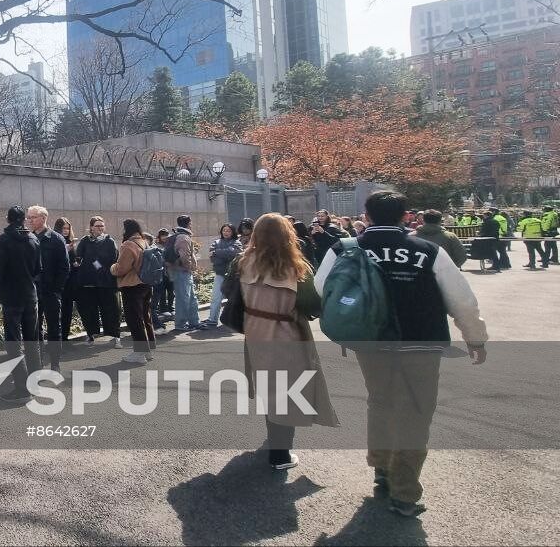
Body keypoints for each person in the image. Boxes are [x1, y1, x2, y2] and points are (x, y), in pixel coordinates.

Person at [315, 191, 488, 518]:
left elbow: (323, 289)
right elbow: (462, 300)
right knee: (416, 411)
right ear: (406, 216)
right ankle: (404, 493)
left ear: (366, 216)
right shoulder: (428, 251)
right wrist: (475, 339)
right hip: (421, 342)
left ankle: (381, 468)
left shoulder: (345, 249)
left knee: (380, 401)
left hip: (371, 342)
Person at [237, 214, 338, 470]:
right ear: (287, 234)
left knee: (268, 385)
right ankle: (281, 454)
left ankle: (274, 440)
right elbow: (313, 304)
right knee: (288, 390)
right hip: (286, 333)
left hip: (255, 331)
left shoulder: (243, 261)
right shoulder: (294, 266)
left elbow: (234, 294)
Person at [0, 206, 43, 402]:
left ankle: (22, 389)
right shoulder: (33, 239)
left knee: (14, 344)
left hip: (11, 298)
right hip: (30, 296)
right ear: (24, 220)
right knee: (32, 341)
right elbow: (38, 269)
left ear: (8, 219)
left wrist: (3, 292)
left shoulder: (3, 241)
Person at [29, 206, 71, 372]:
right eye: (28, 217)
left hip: (51, 292)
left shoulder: (56, 238)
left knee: (54, 328)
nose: (29, 220)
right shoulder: (28, 237)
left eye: (33, 217)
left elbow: (64, 267)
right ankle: (36, 363)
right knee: (34, 329)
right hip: (32, 292)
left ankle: (55, 363)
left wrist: (56, 289)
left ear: (43, 218)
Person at [111, 219, 153, 365]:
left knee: (134, 320)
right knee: (143, 318)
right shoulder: (144, 241)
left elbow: (121, 268)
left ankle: (139, 354)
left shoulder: (128, 245)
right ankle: (147, 351)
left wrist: (112, 267)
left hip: (132, 285)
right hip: (146, 284)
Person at [75, 216, 120, 345]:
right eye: (97, 226)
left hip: (106, 282)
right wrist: (77, 263)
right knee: (89, 310)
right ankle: (91, 335)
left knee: (110, 310)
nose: (100, 228)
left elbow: (114, 259)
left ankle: (115, 336)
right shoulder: (85, 241)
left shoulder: (109, 241)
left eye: (102, 225)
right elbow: (79, 257)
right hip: (88, 282)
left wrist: (98, 266)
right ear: (91, 227)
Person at [166, 215, 201, 332]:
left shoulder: (178, 236)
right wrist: (189, 268)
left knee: (191, 298)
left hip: (180, 271)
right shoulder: (183, 238)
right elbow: (185, 257)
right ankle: (180, 324)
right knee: (183, 298)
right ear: (188, 223)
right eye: (191, 222)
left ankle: (194, 322)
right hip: (182, 271)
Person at [204, 224, 242, 328]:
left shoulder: (237, 242)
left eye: (228, 231)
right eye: (224, 230)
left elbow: (233, 253)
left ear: (232, 232)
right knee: (216, 298)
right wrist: (225, 255)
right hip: (220, 274)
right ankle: (212, 319)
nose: (226, 232)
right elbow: (213, 258)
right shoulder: (216, 242)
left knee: (233, 298)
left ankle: (232, 320)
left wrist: (217, 252)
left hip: (233, 276)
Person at [56, 217, 83, 339]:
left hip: (70, 282)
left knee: (67, 312)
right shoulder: (55, 241)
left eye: (67, 228)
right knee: (58, 313)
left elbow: (72, 261)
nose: (66, 230)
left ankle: (65, 338)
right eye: (63, 228)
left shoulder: (71, 242)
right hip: (58, 283)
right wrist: (65, 250)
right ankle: (58, 340)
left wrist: (76, 263)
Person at [152, 229, 175, 328]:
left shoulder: (170, 245)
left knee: (171, 291)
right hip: (161, 273)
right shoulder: (157, 246)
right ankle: (163, 308)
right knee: (162, 291)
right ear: (159, 237)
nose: (165, 237)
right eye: (163, 235)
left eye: (166, 235)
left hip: (170, 272)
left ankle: (170, 307)